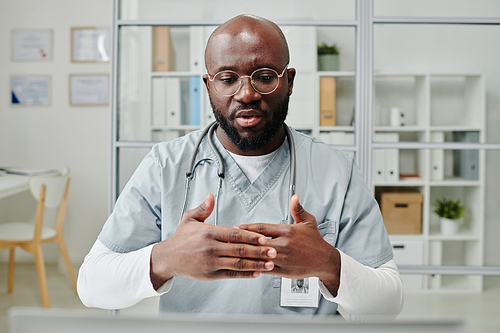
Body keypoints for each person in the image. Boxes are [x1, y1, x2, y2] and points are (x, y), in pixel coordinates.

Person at [77, 14, 403, 319]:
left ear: (289, 81)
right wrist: (164, 259)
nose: (246, 94)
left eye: (263, 77)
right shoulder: (167, 166)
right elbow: (91, 285)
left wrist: (329, 264)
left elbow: (388, 303)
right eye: (227, 79)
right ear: (208, 85)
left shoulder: (336, 171)